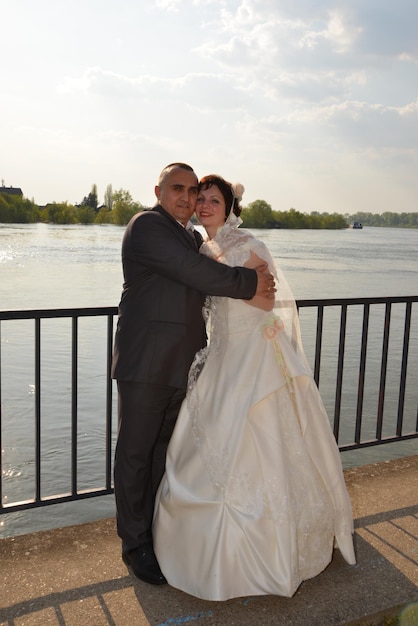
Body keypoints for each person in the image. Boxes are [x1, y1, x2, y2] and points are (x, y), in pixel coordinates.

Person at [153, 174, 356, 600]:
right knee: (199, 447)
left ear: (229, 207)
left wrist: (224, 277)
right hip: (221, 357)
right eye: (200, 199)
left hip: (253, 358)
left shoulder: (248, 246)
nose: (204, 205)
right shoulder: (200, 248)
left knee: (266, 447)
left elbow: (266, 301)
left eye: (213, 200)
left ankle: (272, 553)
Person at [111, 163, 276, 586]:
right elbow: (194, 273)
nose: (187, 197)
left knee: (161, 454)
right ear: (158, 191)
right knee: (134, 455)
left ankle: (155, 532)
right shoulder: (147, 226)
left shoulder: (189, 236)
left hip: (183, 363)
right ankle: (134, 547)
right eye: (178, 189)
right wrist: (247, 280)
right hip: (146, 362)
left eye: (192, 191)